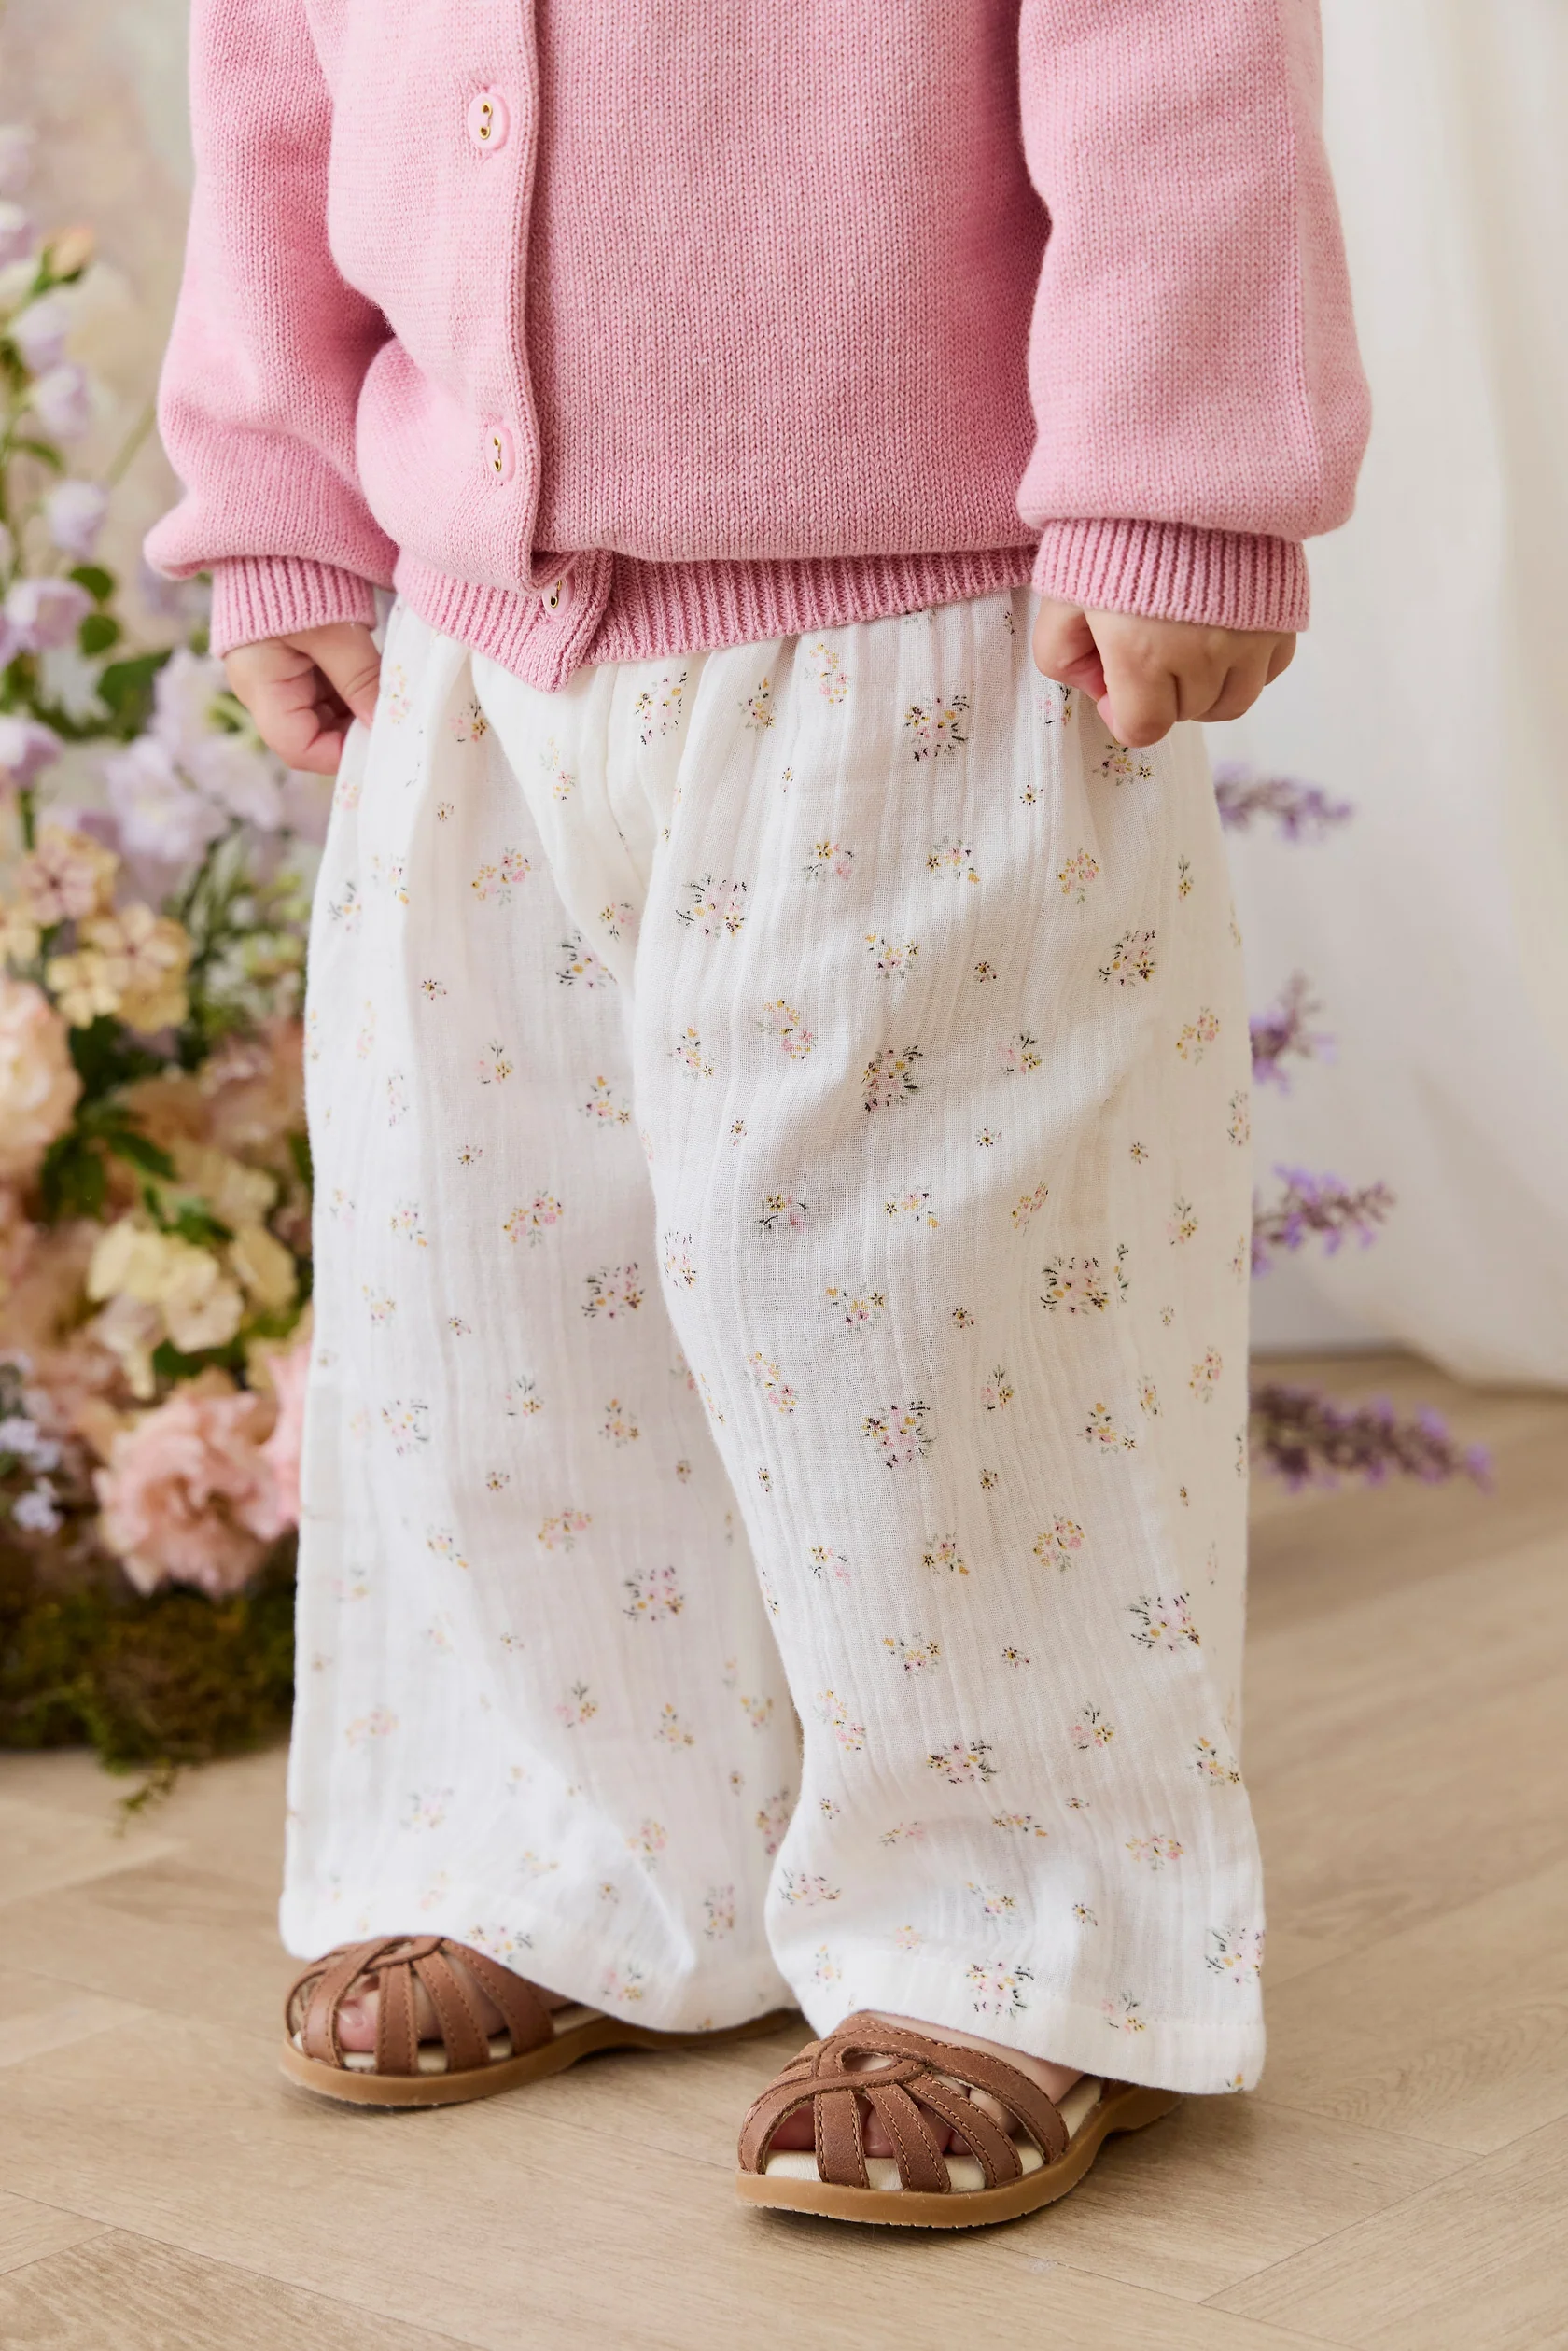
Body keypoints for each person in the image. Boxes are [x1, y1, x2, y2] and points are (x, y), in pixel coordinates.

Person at [147, 0, 1368, 2226]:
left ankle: (1016, 1928)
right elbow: (278, 64)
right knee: (500, 1284)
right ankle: (574, 1848)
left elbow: (1174, 36)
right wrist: (278, 494)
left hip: (921, 621)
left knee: (915, 1299)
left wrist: (1179, 462)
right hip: (478, 649)